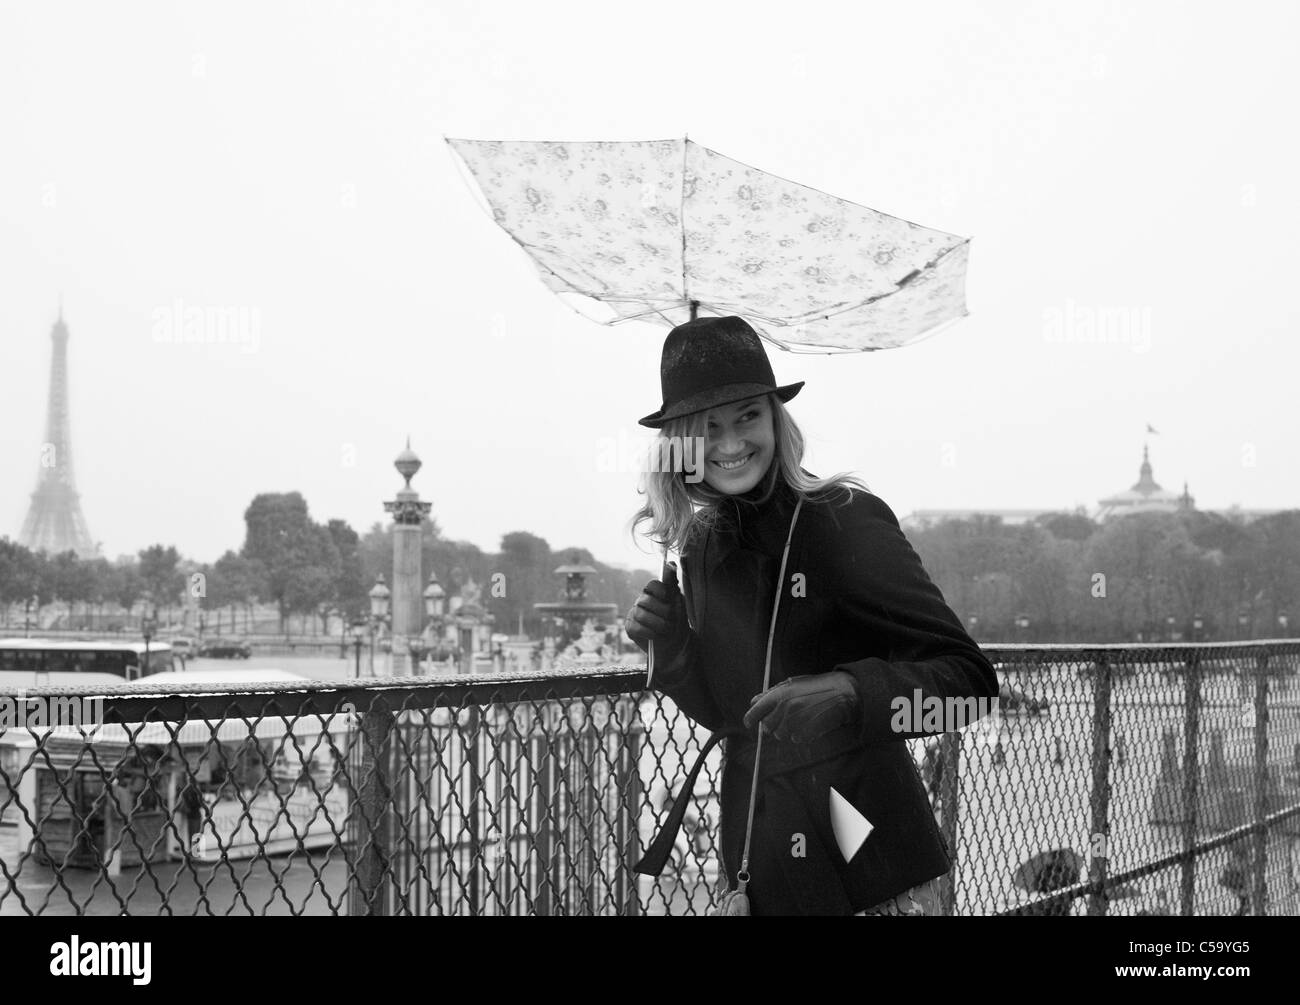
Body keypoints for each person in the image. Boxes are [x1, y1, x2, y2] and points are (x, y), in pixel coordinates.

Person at [625, 315, 998, 916]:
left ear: (777, 416)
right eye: (707, 426)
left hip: (872, 868)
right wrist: (670, 649)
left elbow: (971, 685)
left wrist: (851, 693)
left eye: (748, 415)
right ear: (681, 443)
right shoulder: (698, 546)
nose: (729, 444)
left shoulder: (843, 518)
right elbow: (730, 712)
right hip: (762, 862)